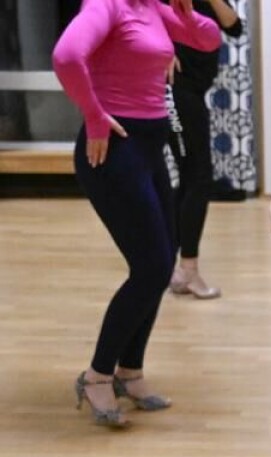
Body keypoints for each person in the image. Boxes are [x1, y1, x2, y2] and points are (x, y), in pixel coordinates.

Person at [53, 0, 221, 428]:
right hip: (113, 149)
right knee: (149, 269)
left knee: (161, 264)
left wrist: (182, 8)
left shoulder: (152, 8)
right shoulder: (108, 5)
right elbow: (66, 55)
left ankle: (130, 371)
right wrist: (93, 116)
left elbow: (208, 36)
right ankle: (97, 375)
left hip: (148, 145)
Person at [166, 0, 243, 299]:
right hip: (175, 91)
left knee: (190, 180)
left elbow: (234, 27)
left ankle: (174, 268)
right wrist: (161, 49)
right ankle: (187, 270)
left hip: (193, 93)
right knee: (197, 180)